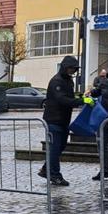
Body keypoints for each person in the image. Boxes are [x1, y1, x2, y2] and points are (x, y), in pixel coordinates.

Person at [39, 56, 87, 186]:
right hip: (53, 120)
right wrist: (81, 101)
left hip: (63, 120)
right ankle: (55, 175)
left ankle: (45, 169)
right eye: (71, 69)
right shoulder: (56, 81)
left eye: (74, 69)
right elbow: (62, 100)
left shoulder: (68, 81)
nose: (73, 71)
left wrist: (81, 97)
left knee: (60, 147)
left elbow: (68, 97)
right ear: (65, 67)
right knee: (55, 148)